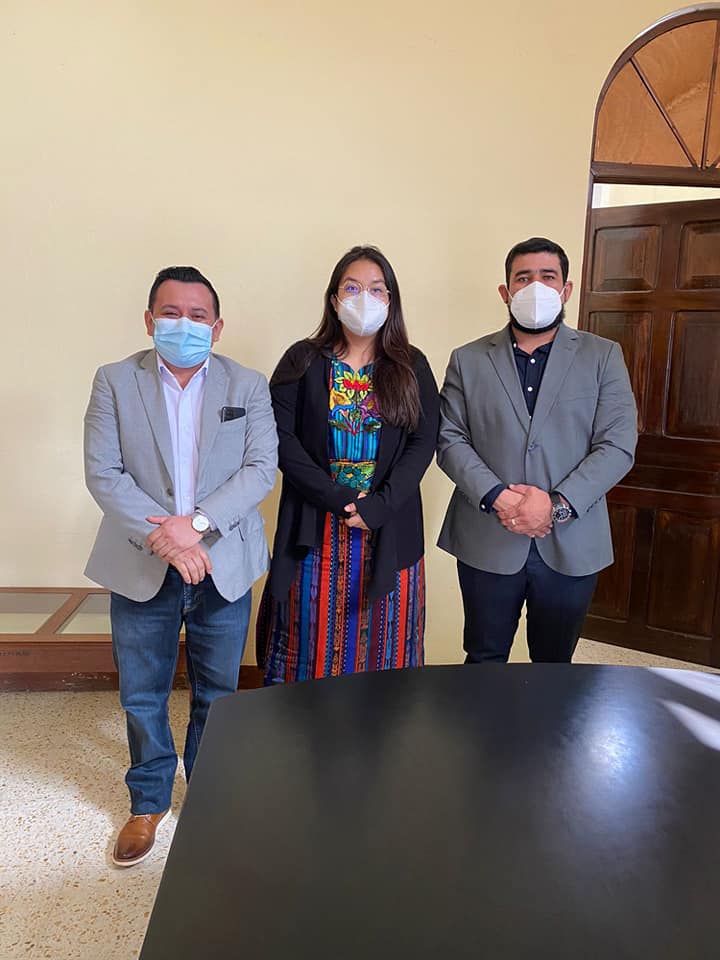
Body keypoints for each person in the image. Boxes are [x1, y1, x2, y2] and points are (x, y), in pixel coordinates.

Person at [84, 265, 277, 867]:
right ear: (149, 320)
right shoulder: (115, 380)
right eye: (171, 313)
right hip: (140, 561)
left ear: (217, 327)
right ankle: (148, 801)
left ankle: (210, 793)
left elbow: (259, 470)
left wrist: (192, 527)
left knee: (218, 692)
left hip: (223, 561)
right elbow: (104, 473)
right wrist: (166, 539)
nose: (184, 325)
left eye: (198, 316)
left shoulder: (248, 384)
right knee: (142, 693)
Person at [437, 237, 637, 664]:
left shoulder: (602, 356)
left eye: (548, 277)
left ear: (566, 290)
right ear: (505, 291)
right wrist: (499, 497)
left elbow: (618, 444)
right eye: (523, 278)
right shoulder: (468, 359)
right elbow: (450, 438)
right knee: (484, 658)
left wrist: (556, 506)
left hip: (572, 541)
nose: (535, 287)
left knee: (554, 667)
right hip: (487, 537)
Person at [256, 245, 439, 682]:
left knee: (386, 656)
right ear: (335, 300)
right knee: (308, 648)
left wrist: (381, 504)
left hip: (388, 527)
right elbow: (280, 438)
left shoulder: (411, 365)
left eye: (376, 289)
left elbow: (423, 441)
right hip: (315, 530)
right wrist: (337, 497)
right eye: (352, 288)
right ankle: (307, 726)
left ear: (390, 300)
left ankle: (379, 727)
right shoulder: (302, 360)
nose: (364, 298)